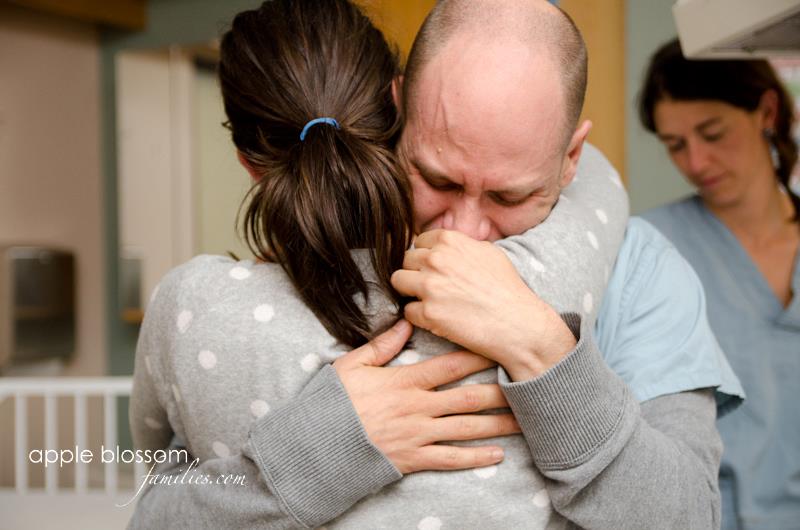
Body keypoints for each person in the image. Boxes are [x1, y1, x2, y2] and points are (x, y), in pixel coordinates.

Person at [128, 1, 742, 529]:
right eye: (437, 180)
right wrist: (305, 456)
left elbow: (688, 517)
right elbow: (158, 511)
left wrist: (544, 352)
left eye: (510, 196)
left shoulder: (643, 270)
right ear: (398, 113)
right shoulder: (282, 277)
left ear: (573, 157)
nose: (466, 231)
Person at [638, 38, 800, 530]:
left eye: (713, 133)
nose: (697, 163)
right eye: (676, 146)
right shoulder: (650, 248)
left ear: (766, 112)